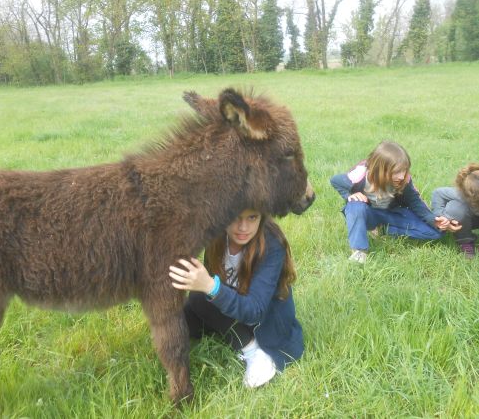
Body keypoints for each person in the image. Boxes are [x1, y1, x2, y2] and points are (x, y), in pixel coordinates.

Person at [169, 209, 303, 388]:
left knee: (200, 294)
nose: (243, 227)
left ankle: (254, 352)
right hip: (234, 303)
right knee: (182, 320)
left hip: (264, 321)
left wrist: (210, 286)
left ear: (262, 216)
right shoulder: (217, 235)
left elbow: (256, 310)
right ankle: (233, 333)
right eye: (234, 217)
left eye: (252, 217)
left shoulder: (271, 244)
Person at [330, 141, 446, 263]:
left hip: (391, 213)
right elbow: (336, 180)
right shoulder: (361, 174)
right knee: (355, 206)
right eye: (396, 172)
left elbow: (414, 202)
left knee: (436, 233)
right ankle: (359, 252)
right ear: (380, 169)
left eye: (404, 170)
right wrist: (350, 195)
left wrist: (433, 220)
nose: (401, 176)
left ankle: (384, 229)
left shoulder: (403, 180)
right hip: (368, 214)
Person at [431, 163, 479, 258]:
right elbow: (437, 193)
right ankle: (466, 243)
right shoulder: (461, 194)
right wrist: (439, 215)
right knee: (455, 209)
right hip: (470, 219)